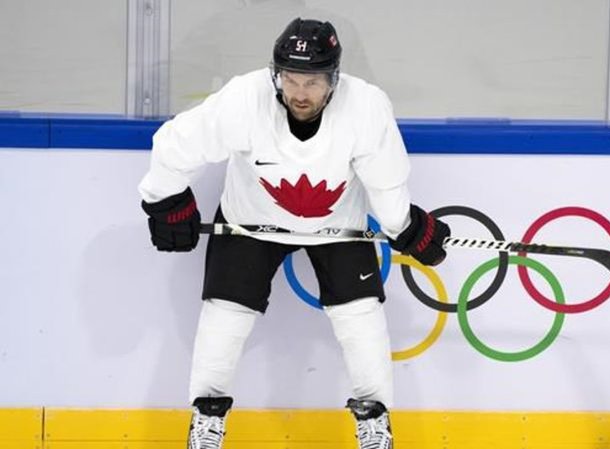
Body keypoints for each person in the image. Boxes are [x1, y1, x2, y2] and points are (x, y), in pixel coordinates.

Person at [138, 17, 450, 449]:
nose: (300, 93)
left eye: (313, 82)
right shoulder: (244, 99)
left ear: (333, 79)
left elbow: (385, 182)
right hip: (248, 221)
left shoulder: (365, 107)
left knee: (360, 317)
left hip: (338, 228)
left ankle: (374, 420)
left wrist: (405, 226)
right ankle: (207, 418)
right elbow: (174, 145)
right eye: (291, 79)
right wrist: (166, 200)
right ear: (276, 74)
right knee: (225, 314)